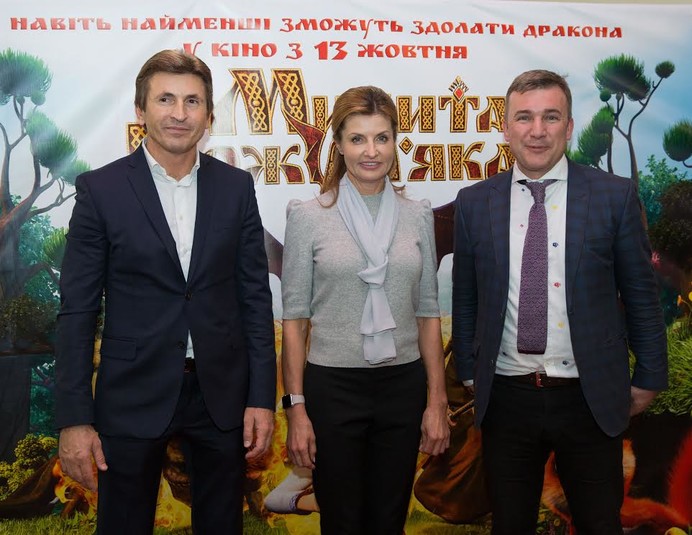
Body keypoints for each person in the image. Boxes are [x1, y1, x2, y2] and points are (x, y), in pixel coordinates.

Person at [54, 49, 276, 534]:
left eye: (192, 101)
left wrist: (261, 398)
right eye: (165, 99)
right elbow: (77, 312)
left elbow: (255, 300)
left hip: (221, 396)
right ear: (140, 110)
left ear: (209, 115)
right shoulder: (101, 190)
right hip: (131, 392)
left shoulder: (236, 187)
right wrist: (74, 419)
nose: (179, 113)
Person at [452, 68, 668, 534]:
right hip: (507, 398)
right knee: (510, 523)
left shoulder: (613, 196)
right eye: (524, 117)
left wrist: (649, 376)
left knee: (598, 523)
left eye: (551, 117)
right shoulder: (474, 202)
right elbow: (466, 297)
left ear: (568, 127)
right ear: (505, 127)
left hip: (589, 398)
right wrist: (468, 371)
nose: (537, 130)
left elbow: (641, 295)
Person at [280, 85, 450, 534]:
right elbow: (294, 321)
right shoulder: (308, 216)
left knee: (388, 520)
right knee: (342, 521)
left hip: (403, 387)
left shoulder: (418, 214)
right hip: (332, 389)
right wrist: (296, 409)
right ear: (338, 145)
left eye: (381, 138)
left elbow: (428, 313)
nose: (370, 151)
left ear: (395, 142)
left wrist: (436, 401)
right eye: (357, 139)